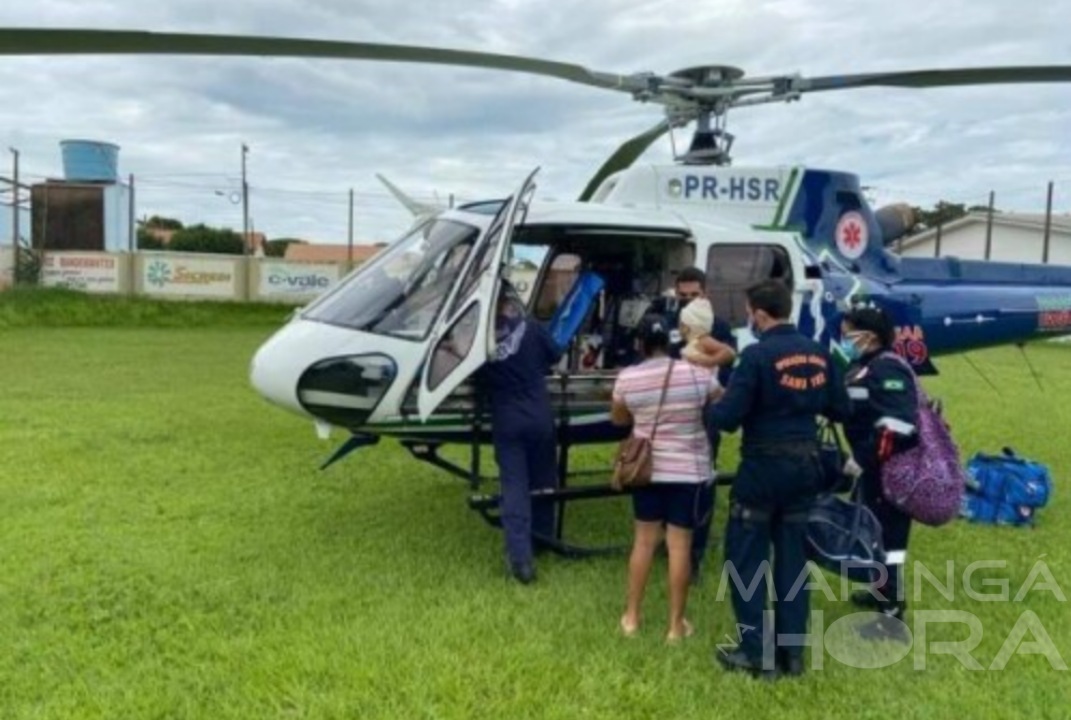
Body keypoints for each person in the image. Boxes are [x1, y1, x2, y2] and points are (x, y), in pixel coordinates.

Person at [705, 280, 850, 678]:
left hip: (763, 470)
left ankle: (757, 653)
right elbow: (841, 409)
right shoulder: (820, 354)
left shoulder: (755, 356)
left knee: (747, 562)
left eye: (751, 312)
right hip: (806, 470)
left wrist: (712, 400)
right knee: (793, 565)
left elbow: (728, 419)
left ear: (761, 314)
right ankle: (792, 654)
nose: (750, 319)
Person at [611, 314, 719, 642]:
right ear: (671, 342)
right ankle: (675, 625)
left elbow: (618, 419)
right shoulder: (697, 375)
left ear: (640, 344)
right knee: (679, 547)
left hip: (646, 469)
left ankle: (631, 617)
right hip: (689, 471)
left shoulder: (628, 377)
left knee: (643, 541)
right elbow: (720, 400)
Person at [472, 281, 564, 584]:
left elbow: (475, 380)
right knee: (545, 482)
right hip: (539, 415)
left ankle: (521, 560)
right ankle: (543, 540)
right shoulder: (531, 328)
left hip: (507, 419)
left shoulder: (478, 341)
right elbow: (554, 354)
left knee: (514, 488)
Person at [838, 306, 920, 640]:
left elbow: (897, 424)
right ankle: (879, 589)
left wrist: (863, 457)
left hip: (891, 471)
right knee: (874, 533)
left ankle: (892, 615)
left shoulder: (888, 369)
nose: (844, 340)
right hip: (877, 469)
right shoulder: (865, 365)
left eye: (848, 334)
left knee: (890, 540)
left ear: (868, 335)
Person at [654, 267, 736, 586]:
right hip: (670, 415)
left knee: (701, 484)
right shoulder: (667, 324)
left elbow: (730, 368)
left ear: (705, 294)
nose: (687, 300)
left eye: (693, 295)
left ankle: (694, 556)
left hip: (705, 414)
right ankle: (668, 537)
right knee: (664, 479)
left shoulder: (720, 328)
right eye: (682, 295)